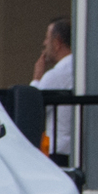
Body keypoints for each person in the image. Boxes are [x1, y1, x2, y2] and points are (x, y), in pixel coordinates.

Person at [31, 17, 76, 165]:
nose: (44, 43)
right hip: (74, 148)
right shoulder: (80, 70)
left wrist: (37, 78)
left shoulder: (55, 75)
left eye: (47, 38)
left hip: (56, 150)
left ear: (57, 43)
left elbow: (32, 107)